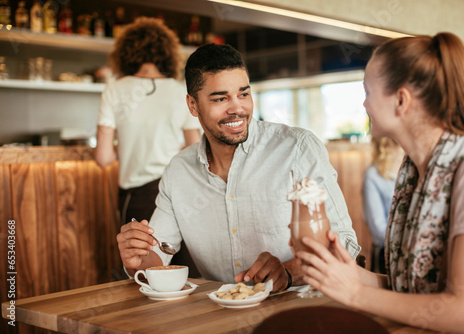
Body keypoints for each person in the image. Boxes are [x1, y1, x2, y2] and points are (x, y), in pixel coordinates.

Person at [296, 32, 464, 333]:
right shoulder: (414, 174)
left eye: (367, 91)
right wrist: (350, 274)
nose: (363, 103)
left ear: (401, 100)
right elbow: (413, 290)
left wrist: (355, 293)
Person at [116, 43, 361, 292]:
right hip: (222, 319)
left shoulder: (297, 148)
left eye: (243, 94)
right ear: (192, 105)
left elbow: (346, 245)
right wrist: (137, 260)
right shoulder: (178, 172)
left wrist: (288, 272)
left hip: (302, 312)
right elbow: (157, 253)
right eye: (221, 98)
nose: (237, 109)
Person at [95, 17, 201, 227]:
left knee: (139, 258)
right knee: (179, 259)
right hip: (178, 192)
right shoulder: (180, 91)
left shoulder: (114, 89)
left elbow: (103, 157)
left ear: (125, 53)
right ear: (168, 54)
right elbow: (195, 149)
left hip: (137, 198)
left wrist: (127, 146)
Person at [362, 137, 403, 273]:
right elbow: (378, 229)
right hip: (387, 254)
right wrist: (408, 239)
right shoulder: (373, 175)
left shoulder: (411, 167)